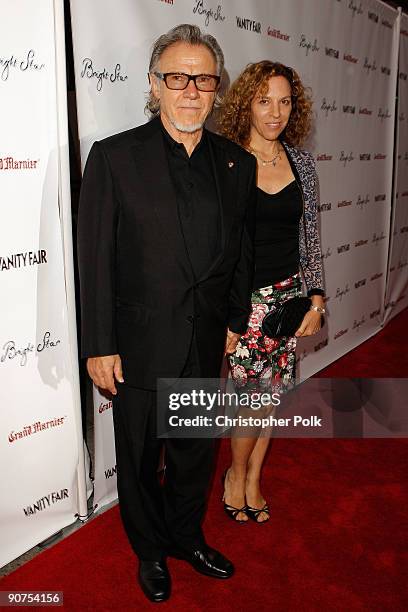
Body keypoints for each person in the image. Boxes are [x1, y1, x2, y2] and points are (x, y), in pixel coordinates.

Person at [77, 24, 256, 603]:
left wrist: (233, 321)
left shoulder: (236, 163)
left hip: (205, 341)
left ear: (217, 89)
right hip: (137, 342)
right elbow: (95, 260)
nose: (189, 91)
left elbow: (240, 252)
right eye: (176, 78)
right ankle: (150, 551)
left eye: (203, 79)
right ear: (154, 85)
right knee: (137, 458)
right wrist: (98, 343)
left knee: (193, 455)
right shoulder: (113, 157)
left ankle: (185, 537)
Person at [217, 61, 325, 524]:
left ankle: (255, 476)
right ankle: (235, 475)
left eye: (284, 101)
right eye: (264, 101)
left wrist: (317, 300)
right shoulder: (226, 159)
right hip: (247, 304)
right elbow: (216, 246)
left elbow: (312, 238)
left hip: (291, 299)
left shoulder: (302, 163)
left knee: (272, 398)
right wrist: (226, 314)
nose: (275, 112)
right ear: (247, 104)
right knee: (250, 401)